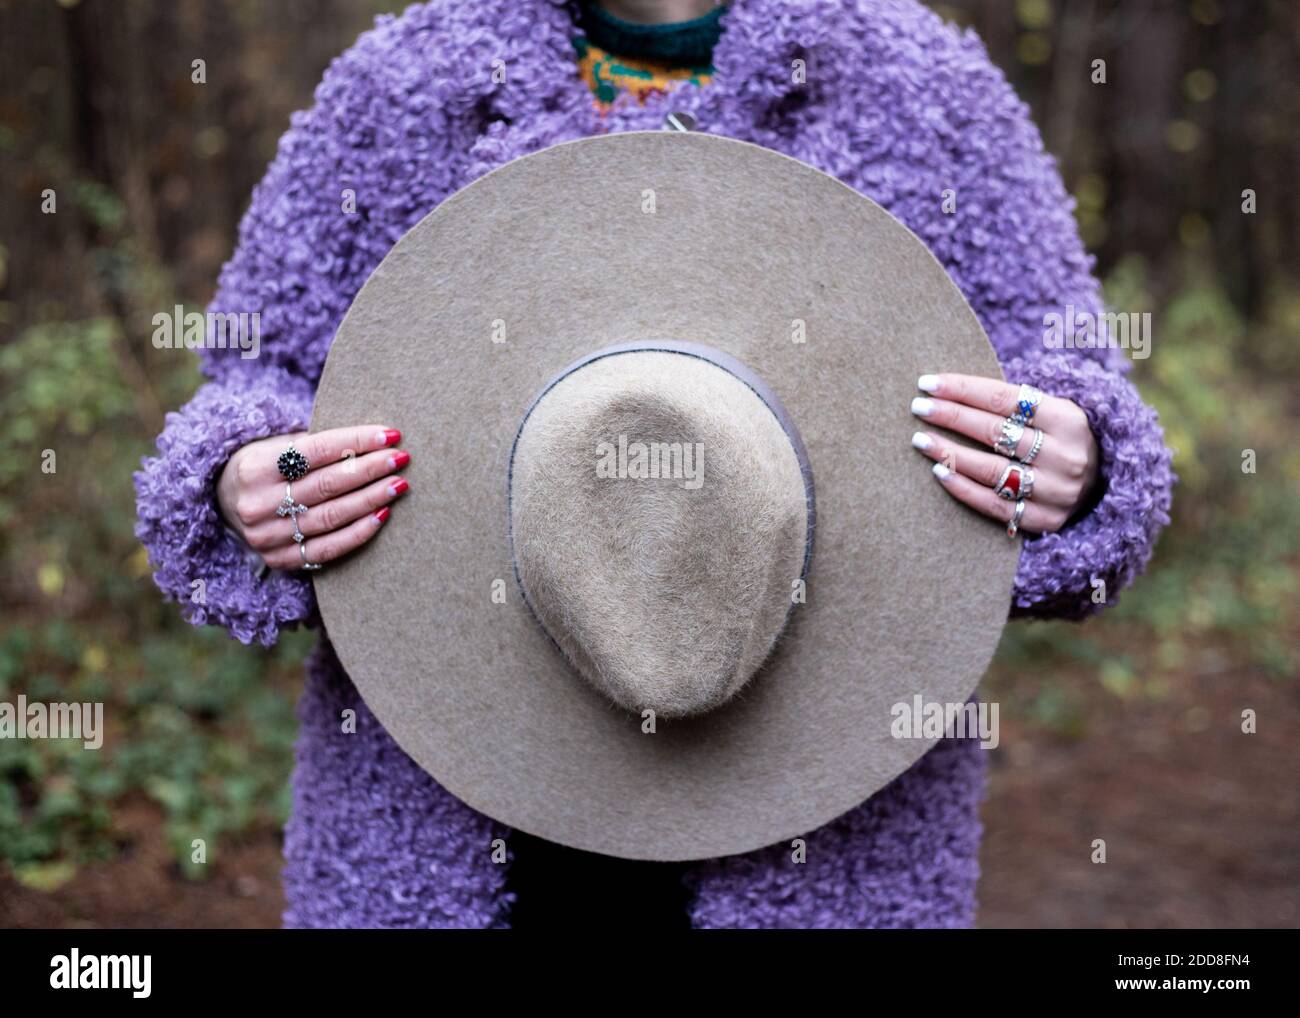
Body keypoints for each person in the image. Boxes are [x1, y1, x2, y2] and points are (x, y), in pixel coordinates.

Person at [135, 0, 1174, 928]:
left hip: (832, 832)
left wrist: (1079, 466)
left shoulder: (924, 84)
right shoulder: (400, 83)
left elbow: (1063, 366)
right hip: (443, 808)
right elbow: (255, 365)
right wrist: (237, 478)